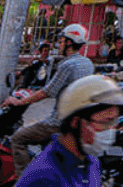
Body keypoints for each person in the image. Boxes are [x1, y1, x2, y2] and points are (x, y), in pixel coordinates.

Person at [9, 24, 96, 175]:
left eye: (61, 41)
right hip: (78, 120)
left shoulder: (67, 65)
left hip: (60, 122)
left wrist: (19, 102)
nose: (59, 45)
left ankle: (23, 181)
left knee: (18, 138)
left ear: (69, 43)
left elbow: (47, 92)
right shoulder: (87, 63)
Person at [17, 73, 123, 187]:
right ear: (76, 122)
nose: (111, 130)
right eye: (106, 122)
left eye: (114, 122)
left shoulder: (92, 163)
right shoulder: (45, 176)